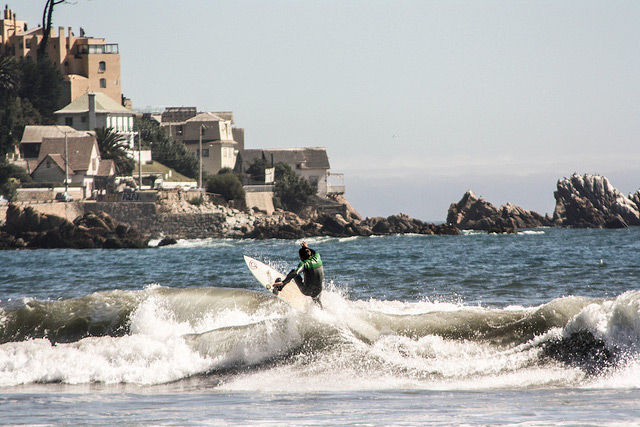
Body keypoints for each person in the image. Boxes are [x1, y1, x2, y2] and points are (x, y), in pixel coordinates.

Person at [274, 241, 324, 306]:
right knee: (317, 299)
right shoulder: (317, 257)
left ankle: (280, 286)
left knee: (293, 272)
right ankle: (321, 309)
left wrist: (283, 282)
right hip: (319, 290)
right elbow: (314, 252)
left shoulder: (304, 263)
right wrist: (306, 247)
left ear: (302, 257)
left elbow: (295, 273)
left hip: (307, 291)